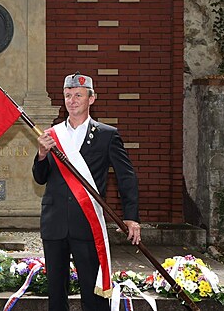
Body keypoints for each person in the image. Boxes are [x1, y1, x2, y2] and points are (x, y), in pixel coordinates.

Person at [32, 72, 141, 311]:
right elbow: (40, 178)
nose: (72, 100)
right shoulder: (52, 135)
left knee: (93, 294)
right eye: (68, 95)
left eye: (78, 95)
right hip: (55, 223)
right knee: (56, 295)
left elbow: (126, 177)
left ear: (91, 99)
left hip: (87, 223)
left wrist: (131, 217)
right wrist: (41, 154)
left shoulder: (107, 135)